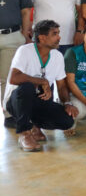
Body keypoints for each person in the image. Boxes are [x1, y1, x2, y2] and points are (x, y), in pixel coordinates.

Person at [3, 20, 77, 151]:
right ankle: (24, 134)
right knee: (27, 87)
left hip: (39, 103)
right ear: (42, 38)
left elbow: (61, 86)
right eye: (55, 34)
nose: (59, 37)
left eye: (58, 33)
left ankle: (35, 126)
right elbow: (14, 78)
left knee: (67, 121)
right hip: (16, 102)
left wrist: (67, 103)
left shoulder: (58, 56)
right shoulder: (25, 51)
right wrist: (42, 81)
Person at [0, 0, 33, 98]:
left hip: (11, 37)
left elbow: (26, 12)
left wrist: (25, 35)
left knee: (7, 78)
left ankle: (8, 114)